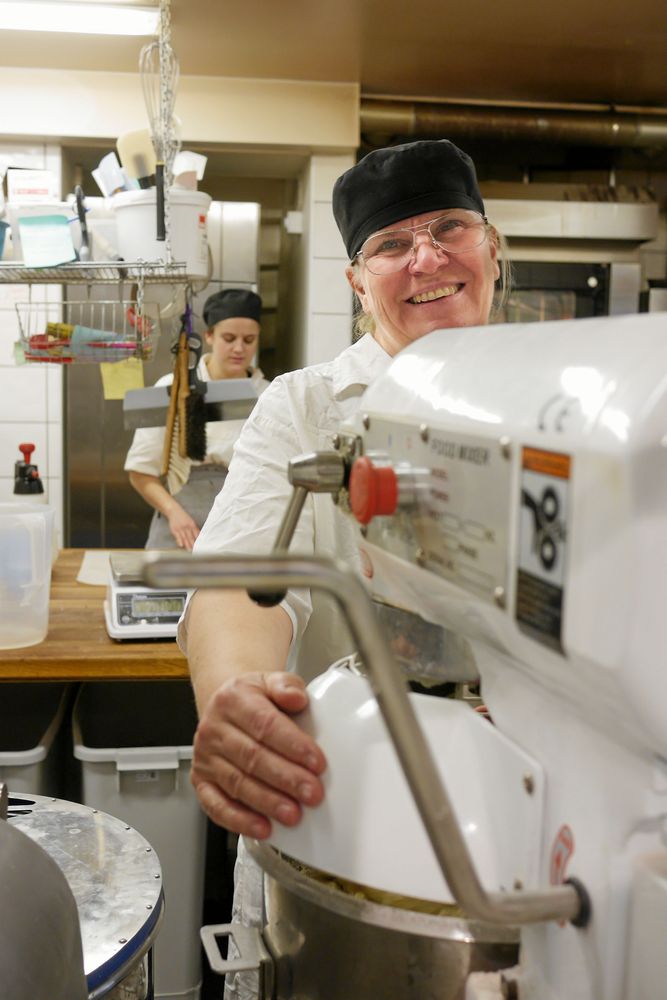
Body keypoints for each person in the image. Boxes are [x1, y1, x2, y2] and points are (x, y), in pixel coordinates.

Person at [179, 138, 506, 999]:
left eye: (448, 229)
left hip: (528, 833)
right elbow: (234, 583)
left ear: (491, 246)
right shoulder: (308, 407)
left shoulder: (571, 404)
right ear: (358, 282)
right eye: (391, 245)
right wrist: (240, 703)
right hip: (340, 827)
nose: (426, 258)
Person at [124, 288, 269, 550]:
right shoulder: (171, 388)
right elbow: (140, 471)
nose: (239, 348)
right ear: (209, 336)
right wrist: (174, 513)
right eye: (229, 338)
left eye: (249, 340)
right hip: (180, 524)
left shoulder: (269, 396)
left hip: (243, 526)